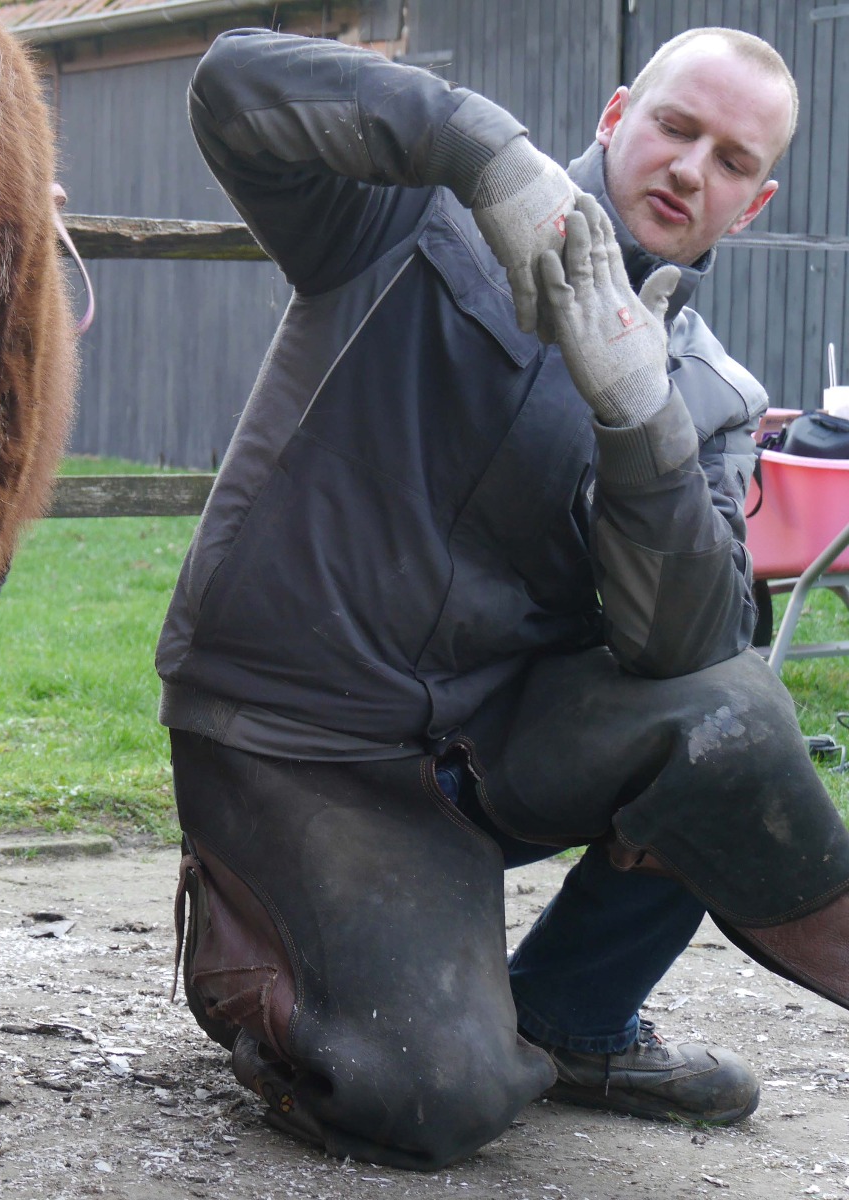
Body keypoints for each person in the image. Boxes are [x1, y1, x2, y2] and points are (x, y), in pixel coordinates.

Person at [161, 26, 849, 1170]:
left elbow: (686, 650)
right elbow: (232, 84)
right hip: (298, 747)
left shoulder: (715, 398)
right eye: (675, 129)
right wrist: (474, 151)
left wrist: (641, 425)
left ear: (754, 198)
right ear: (617, 115)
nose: (689, 169)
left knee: (729, 717)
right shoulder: (407, 225)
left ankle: (573, 1017)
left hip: (487, 751)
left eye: (730, 160)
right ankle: (258, 956)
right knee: (437, 1101)